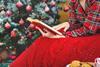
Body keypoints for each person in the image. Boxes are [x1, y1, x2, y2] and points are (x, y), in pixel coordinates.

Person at [10, 0, 100, 67]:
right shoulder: (74, 2)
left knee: (56, 45)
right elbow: (76, 24)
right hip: (84, 34)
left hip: (96, 39)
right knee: (45, 40)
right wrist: (65, 26)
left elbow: (89, 29)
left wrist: (63, 35)